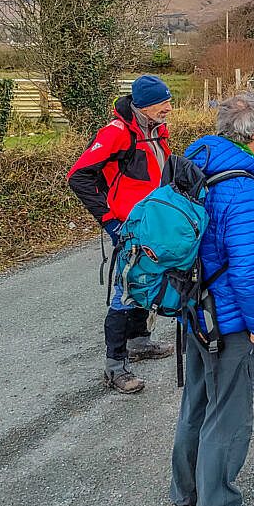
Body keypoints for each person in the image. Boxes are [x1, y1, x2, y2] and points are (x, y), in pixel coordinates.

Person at [169, 92, 254, 506]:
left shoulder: (194, 161)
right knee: (230, 413)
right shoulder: (243, 188)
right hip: (231, 320)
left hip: (193, 310)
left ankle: (186, 497)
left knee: (196, 402)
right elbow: (250, 270)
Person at [67, 74, 175, 394]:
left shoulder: (157, 130)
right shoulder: (116, 133)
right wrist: (110, 222)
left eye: (169, 102)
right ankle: (114, 367)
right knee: (124, 293)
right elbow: (78, 177)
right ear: (144, 105)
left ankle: (140, 341)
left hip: (155, 224)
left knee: (150, 281)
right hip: (129, 226)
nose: (169, 108)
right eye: (163, 103)